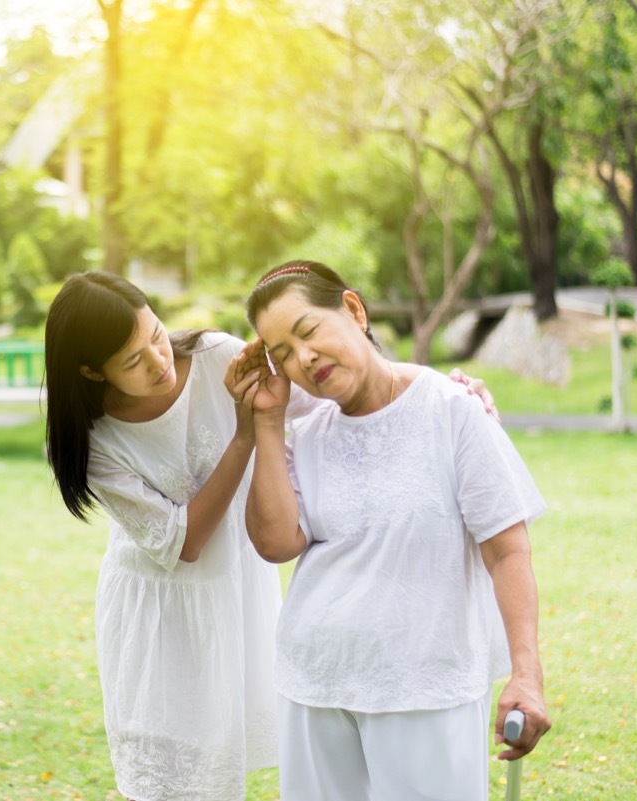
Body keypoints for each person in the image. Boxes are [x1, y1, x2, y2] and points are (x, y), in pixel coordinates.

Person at [44, 271, 498, 801]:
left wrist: (437, 388)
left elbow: (329, 392)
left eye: (156, 336)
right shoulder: (95, 441)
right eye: (132, 361)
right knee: (176, 780)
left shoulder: (217, 357)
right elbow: (183, 544)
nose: (158, 361)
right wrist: (244, 434)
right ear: (90, 372)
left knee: (241, 759)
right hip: (162, 611)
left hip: (236, 591)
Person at [236, 260, 551, 801]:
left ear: (354, 311)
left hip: (428, 687)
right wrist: (266, 421)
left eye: (308, 331)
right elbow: (275, 543)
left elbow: (507, 551)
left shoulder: (452, 410)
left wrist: (527, 672)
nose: (303, 358)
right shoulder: (306, 434)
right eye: (282, 352)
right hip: (315, 686)